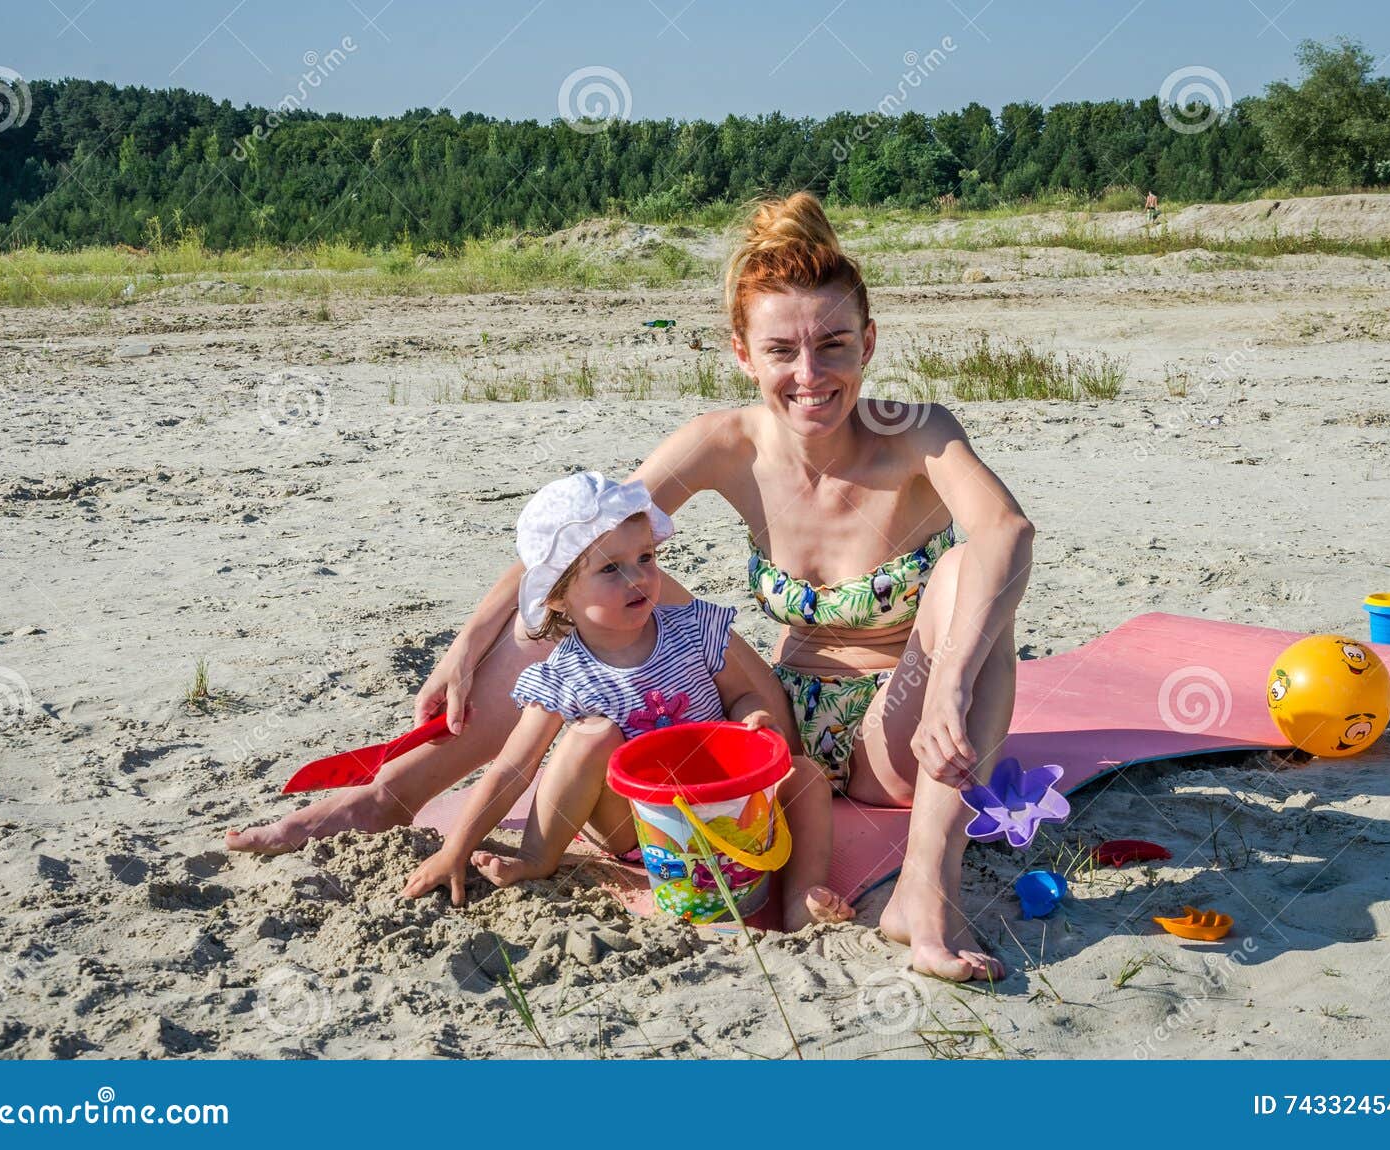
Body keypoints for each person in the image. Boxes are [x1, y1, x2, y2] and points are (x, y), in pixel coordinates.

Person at [229, 191, 1035, 982]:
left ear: (869, 343)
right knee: (591, 580)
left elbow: (1008, 530)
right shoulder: (726, 443)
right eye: (782, 351)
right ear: (742, 354)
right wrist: (472, 640)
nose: (810, 375)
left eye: (833, 345)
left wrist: (949, 687)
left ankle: (927, 888)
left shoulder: (918, 434)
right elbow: (577, 536)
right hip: (770, 720)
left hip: (897, 730)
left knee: (974, 572)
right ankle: (387, 800)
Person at [396, 471, 852, 928]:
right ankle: (536, 857)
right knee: (592, 735)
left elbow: (741, 693)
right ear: (557, 597)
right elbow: (513, 767)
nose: (639, 579)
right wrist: (454, 850)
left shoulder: (691, 629)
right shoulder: (564, 676)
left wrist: (752, 715)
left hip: (727, 810)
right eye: (611, 569)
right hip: (638, 825)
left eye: (646, 557)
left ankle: (801, 898)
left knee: (805, 775)